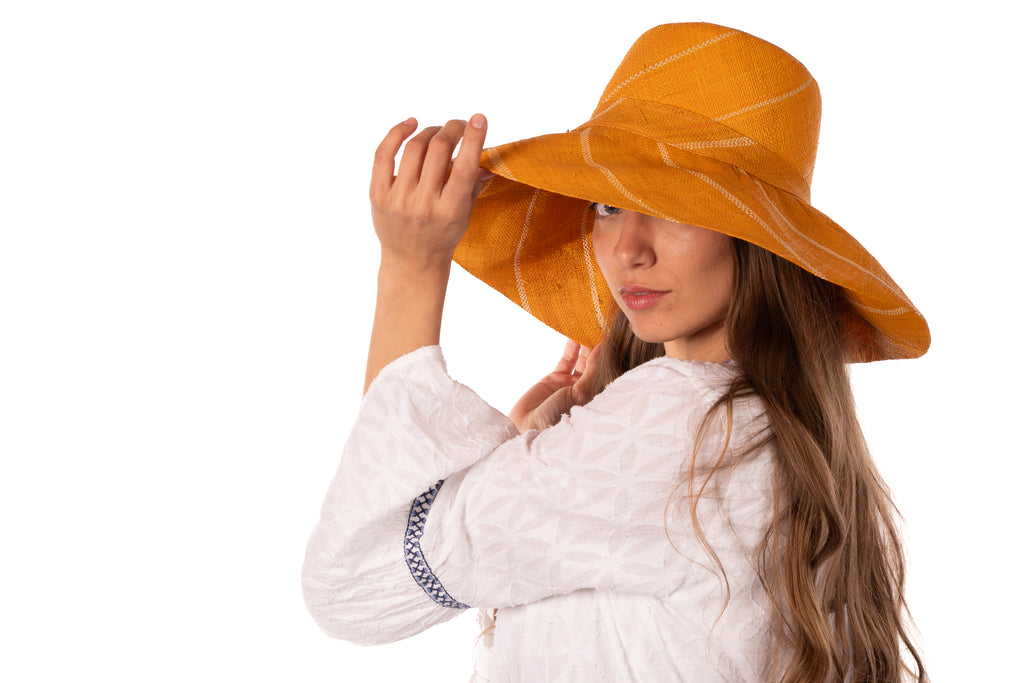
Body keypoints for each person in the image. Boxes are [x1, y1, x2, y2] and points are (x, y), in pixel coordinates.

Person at [302, 22, 929, 682]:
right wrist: (530, 446)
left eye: (674, 204)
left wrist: (410, 268)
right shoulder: (781, 429)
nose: (629, 247)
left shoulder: (677, 423)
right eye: (607, 203)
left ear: (757, 241)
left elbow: (354, 587)